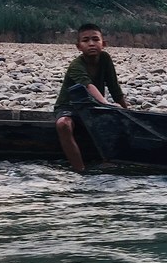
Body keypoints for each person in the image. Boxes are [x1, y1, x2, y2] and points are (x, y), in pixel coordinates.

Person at [54, 23, 128, 172]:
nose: (91, 44)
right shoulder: (76, 65)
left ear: (103, 44)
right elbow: (88, 86)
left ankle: (109, 161)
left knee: (116, 124)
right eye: (86, 40)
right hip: (69, 107)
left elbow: (114, 88)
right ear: (78, 46)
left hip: (92, 107)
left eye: (95, 39)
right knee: (63, 124)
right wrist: (106, 104)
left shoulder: (105, 59)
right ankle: (79, 170)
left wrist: (128, 113)